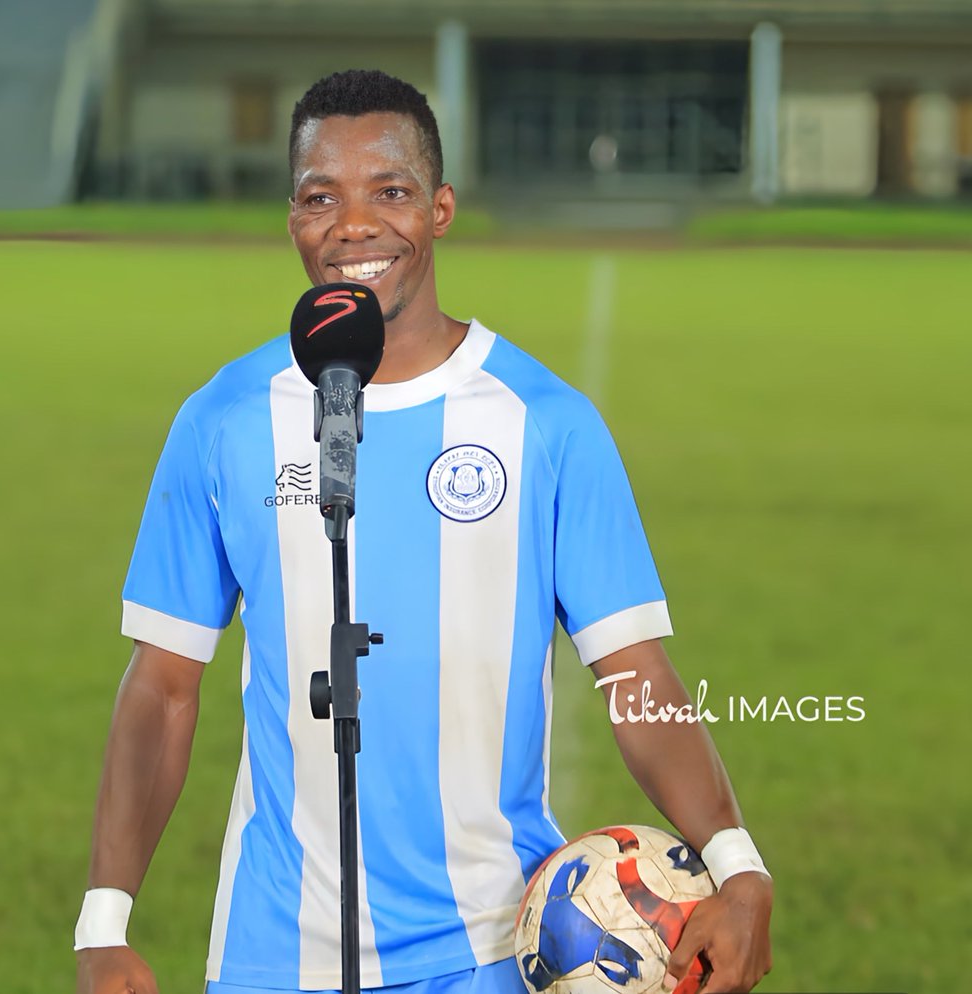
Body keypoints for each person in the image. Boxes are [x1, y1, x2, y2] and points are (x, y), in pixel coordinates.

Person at [74, 70, 773, 994]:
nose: (354, 224)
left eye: (390, 191)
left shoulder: (546, 424)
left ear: (440, 208)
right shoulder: (224, 422)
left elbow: (635, 677)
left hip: (490, 950)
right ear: (292, 217)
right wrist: (104, 920)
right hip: (274, 954)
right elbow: (162, 687)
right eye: (323, 196)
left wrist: (738, 860)